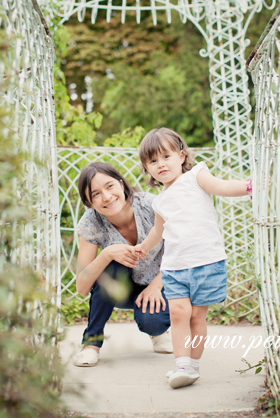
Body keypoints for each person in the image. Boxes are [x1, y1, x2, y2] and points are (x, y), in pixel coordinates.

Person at [133, 127, 251, 389]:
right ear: (147, 168)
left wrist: (248, 186)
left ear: (182, 155)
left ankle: (192, 366)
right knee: (178, 313)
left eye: (166, 156)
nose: (161, 164)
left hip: (206, 262)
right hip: (175, 267)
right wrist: (143, 247)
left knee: (197, 317)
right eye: (153, 161)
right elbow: (158, 231)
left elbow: (221, 186)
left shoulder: (197, 176)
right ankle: (182, 365)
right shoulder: (159, 201)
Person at [73, 162, 173, 367]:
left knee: (152, 322)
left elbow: (182, 251)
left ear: (121, 184)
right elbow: (82, 287)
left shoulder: (150, 205)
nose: (107, 197)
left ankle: (159, 332)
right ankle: (91, 343)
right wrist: (107, 254)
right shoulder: (90, 223)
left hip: (161, 283)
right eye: (96, 194)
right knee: (111, 265)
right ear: (89, 202)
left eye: (109, 186)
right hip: (123, 288)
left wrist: (155, 286)